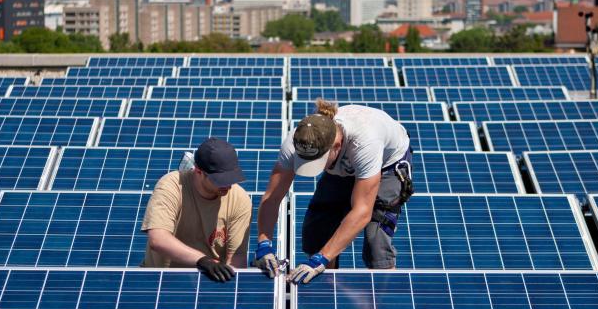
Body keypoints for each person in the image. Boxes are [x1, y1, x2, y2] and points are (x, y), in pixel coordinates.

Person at [254, 98, 414, 284]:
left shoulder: (365, 144)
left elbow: (362, 212)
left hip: (387, 165)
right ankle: (328, 293)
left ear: (336, 147)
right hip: (345, 163)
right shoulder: (297, 142)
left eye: (318, 162)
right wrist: (264, 243)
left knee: (376, 246)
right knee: (317, 234)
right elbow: (272, 197)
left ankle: (385, 296)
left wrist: (322, 259)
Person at [142, 137, 252, 282]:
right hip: (161, 280)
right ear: (198, 171)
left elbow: (237, 256)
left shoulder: (240, 200)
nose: (228, 185)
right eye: (220, 180)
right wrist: (202, 260)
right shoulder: (171, 186)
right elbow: (158, 239)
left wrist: (232, 286)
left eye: (231, 178)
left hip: (208, 281)